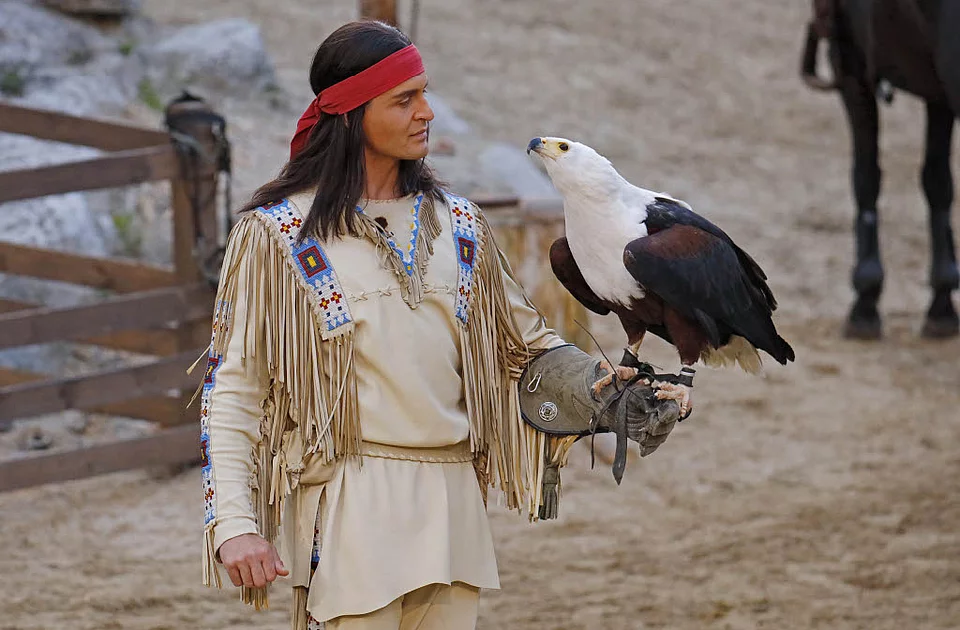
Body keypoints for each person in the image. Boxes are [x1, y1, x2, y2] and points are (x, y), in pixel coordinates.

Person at [199, 20, 682, 630]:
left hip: (454, 507)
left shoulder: (462, 226)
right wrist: (234, 523)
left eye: (424, 94)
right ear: (351, 113)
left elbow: (525, 351)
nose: (426, 112)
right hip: (349, 504)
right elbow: (234, 386)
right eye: (404, 100)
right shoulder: (279, 235)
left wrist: (604, 392)